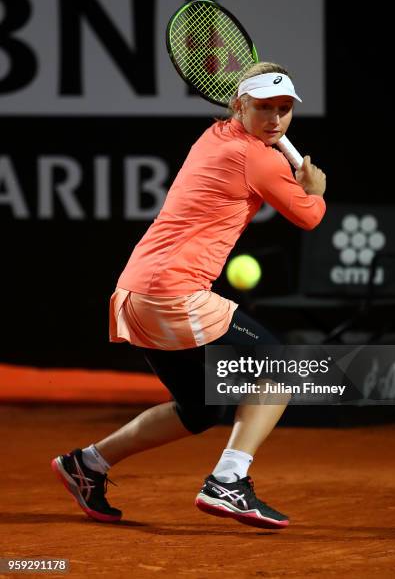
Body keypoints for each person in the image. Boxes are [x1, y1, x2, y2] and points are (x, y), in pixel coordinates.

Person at [51, 62, 326, 530]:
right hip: (173, 292)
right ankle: (229, 480)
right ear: (239, 105)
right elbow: (310, 217)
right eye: (263, 108)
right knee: (281, 364)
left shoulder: (216, 135)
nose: (275, 120)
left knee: (198, 408)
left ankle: (88, 464)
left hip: (134, 292)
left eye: (284, 109)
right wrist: (315, 188)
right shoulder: (259, 158)